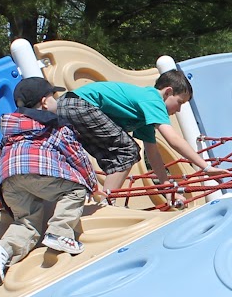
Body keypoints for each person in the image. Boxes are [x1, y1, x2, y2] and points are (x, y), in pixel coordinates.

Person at [0, 76, 100, 285]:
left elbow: (0, 160)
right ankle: (59, 232)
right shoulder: (53, 126)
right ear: (45, 102)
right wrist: (93, 186)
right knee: (75, 190)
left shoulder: (10, 133)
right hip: (40, 172)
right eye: (54, 96)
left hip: (10, 181)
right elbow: (77, 157)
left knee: (27, 223)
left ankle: (2, 251)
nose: (56, 101)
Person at [53, 69, 223, 206]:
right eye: (180, 102)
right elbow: (174, 140)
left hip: (67, 108)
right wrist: (205, 168)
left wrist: (167, 192)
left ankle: (100, 199)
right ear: (168, 92)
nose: (178, 110)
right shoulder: (153, 99)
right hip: (79, 105)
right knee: (129, 150)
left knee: (116, 158)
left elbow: (153, 154)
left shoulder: (144, 115)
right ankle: (106, 202)